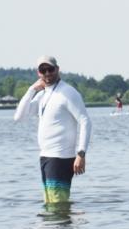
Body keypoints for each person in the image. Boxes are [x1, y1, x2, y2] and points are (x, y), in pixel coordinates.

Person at [13, 55, 90, 204]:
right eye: (43, 70)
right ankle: (59, 227)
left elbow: (85, 121)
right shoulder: (42, 95)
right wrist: (31, 90)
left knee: (57, 204)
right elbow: (19, 117)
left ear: (58, 69)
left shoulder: (68, 92)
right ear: (38, 73)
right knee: (50, 203)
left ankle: (66, 227)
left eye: (50, 69)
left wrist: (81, 154)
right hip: (45, 156)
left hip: (61, 157)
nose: (47, 73)